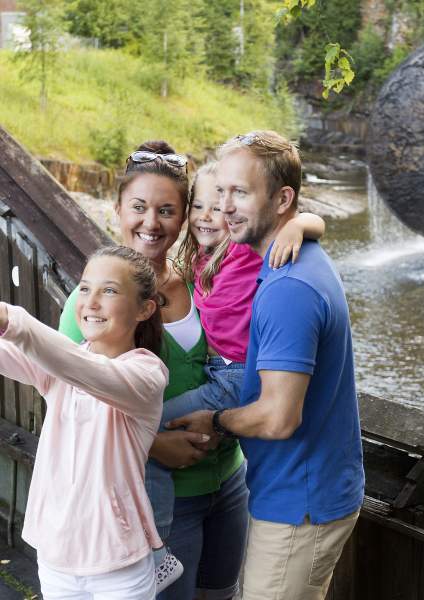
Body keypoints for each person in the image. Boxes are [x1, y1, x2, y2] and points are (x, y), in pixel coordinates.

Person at [59, 142, 325, 600]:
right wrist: (154, 443)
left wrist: (301, 221)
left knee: (221, 593)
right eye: (139, 207)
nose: (151, 222)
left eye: (167, 210)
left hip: (227, 483)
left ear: (185, 217)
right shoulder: (91, 304)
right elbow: (69, 412)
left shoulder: (202, 275)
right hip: (162, 499)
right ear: (118, 209)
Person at [167, 130, 365, 600]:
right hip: (302, 489)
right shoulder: (289, 262)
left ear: (282, 199)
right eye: (221, 192)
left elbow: (278, 418)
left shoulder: (287, 288)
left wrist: (214, 420)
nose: (224, 207)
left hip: (301, 501)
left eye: (240, 193)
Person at [149, 159, 325, 600]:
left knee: (145, 432)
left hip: (236, 376)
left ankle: (156, 553)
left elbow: (311, 218)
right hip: (220, 371)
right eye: (200, 206)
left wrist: (297, 225)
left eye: (223, 207)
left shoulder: (246, 252)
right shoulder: (198, 265)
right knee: (148, 436)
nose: (210, 215)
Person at [0, 245, 167, 599]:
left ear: (144, 309)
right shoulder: (64, 362)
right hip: (56, 556)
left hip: (120, 567)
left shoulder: (147, 374)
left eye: (109, 290)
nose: (91, 302)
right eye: (86, 288)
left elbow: (84, 369)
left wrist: (10, 319)